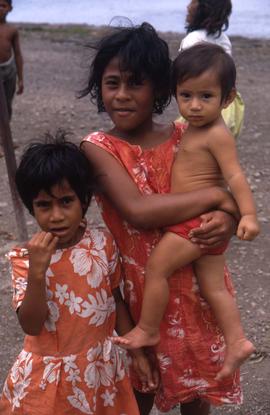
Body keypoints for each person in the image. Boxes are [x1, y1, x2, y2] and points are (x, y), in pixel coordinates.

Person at [80, 22, 243, 415]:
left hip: (196, 287)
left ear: (159, 89)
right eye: (112, 83)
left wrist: (228, 218)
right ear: (99, 87)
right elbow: (138, 211)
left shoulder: (187, 135)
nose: (121, 95)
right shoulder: (99, 147)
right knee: (139, 391)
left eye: (135, 83)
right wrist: (219, 199)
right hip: (142, 298)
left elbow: (232, 188)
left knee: (197, 390)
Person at [113, 42, 259, 382]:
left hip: (192, 223)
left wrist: (248, 214)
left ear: (226, 98)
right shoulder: (194, 127)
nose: (194, 106)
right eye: (186, 95)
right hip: (205, 219)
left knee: (157, 268)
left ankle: (148, 329)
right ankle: (237, 341)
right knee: (215, 289)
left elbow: (235, 175)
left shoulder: (216, 134)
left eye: (206, 97)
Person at [0, 131, 157, 415]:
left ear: (83, 201)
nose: (56, 215)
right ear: (31, 208)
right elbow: (31, 325)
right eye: (44, 205)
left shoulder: (102, 243)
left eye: (66, 201)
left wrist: (135, 351)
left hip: (99, 370)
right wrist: (37, 273)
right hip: (51, 378)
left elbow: (115, 299)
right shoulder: (26, 258)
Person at [177, 0, 244, 139]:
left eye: (193, 2)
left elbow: (182, 73)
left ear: (204, 9)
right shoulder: (223, 39)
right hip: (220, 101)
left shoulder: (192, 39)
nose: (188, 6)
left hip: (203, 99)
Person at [0, 0, 24, 156]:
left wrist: (21, 78)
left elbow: (18, 54)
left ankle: (5, 139)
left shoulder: (12, 30)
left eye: (3, 5)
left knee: (7, 105)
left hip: (9, 69)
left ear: (10, 8)